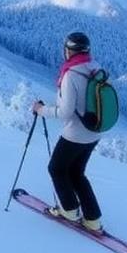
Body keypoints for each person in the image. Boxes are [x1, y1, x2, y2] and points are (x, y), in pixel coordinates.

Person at [31, 31, 104, 233]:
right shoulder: (95, 68)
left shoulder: (71, 74)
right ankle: (93, 219)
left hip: (75, 133)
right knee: (77, 173)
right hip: (95, 131)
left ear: (69, 51)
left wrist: (41, 110)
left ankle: (70, 210)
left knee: (56, 169)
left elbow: (65, 112)